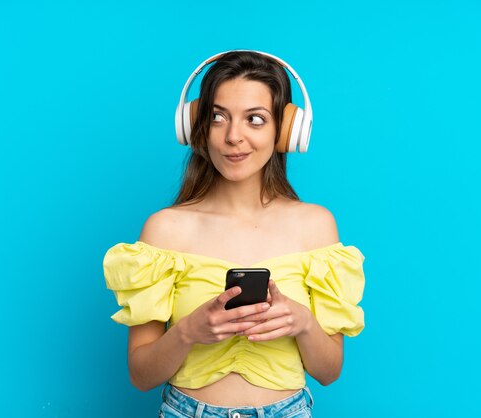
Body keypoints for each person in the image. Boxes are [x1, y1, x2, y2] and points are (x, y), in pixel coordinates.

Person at [103, 50, 366, 418]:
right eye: (217, 117)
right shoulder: (165, 230)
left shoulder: (316, 226)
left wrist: (302, 323)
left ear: (285, 131)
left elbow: (329, 371)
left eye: (255, 120)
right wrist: (190, 331)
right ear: (197, 125)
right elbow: (141, 375)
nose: (232, 136)